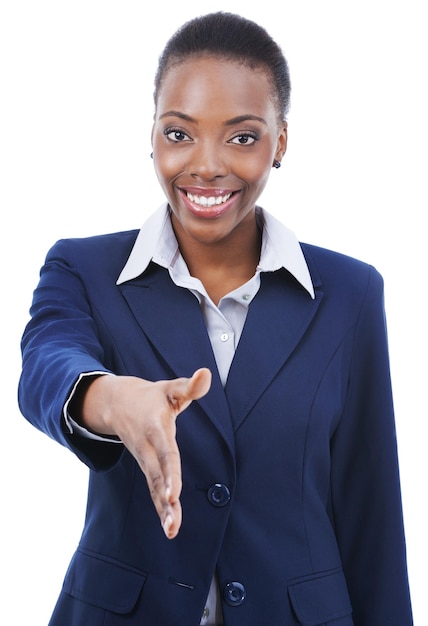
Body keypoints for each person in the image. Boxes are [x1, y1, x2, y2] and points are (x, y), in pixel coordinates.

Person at [18, 11, 413, 626]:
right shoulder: (84, 267)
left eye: (242, 137)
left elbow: (371, 512)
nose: (206, 165)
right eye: (179, 134)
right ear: (150, 133)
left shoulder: (351, 293)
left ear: (281, 142)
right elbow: (47, 363)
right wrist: (110, 398)